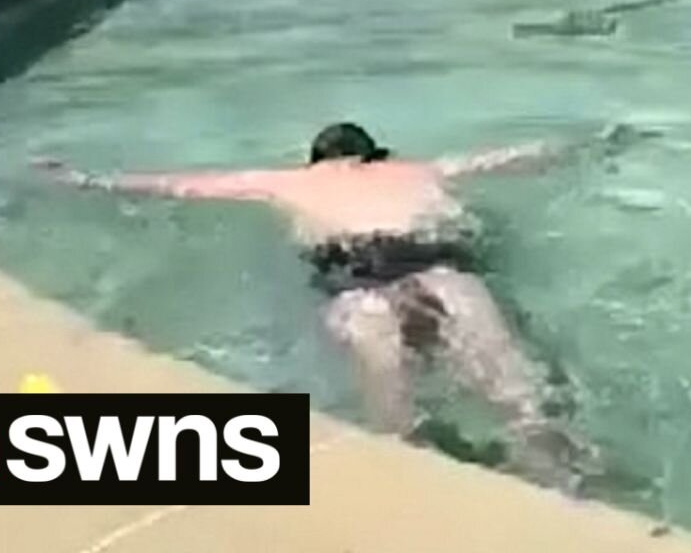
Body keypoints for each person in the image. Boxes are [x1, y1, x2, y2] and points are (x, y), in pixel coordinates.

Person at [35, 122, 644, 486]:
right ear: (372, 155)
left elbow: (180, 185)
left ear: (318, 160)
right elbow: (512, 157)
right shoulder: (421, 168)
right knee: (520, 399)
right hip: (441, 269)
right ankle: (565, 480)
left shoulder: (283, 181)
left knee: (395, 426)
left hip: (354, 282)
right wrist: (594, 142)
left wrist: (86, 181)